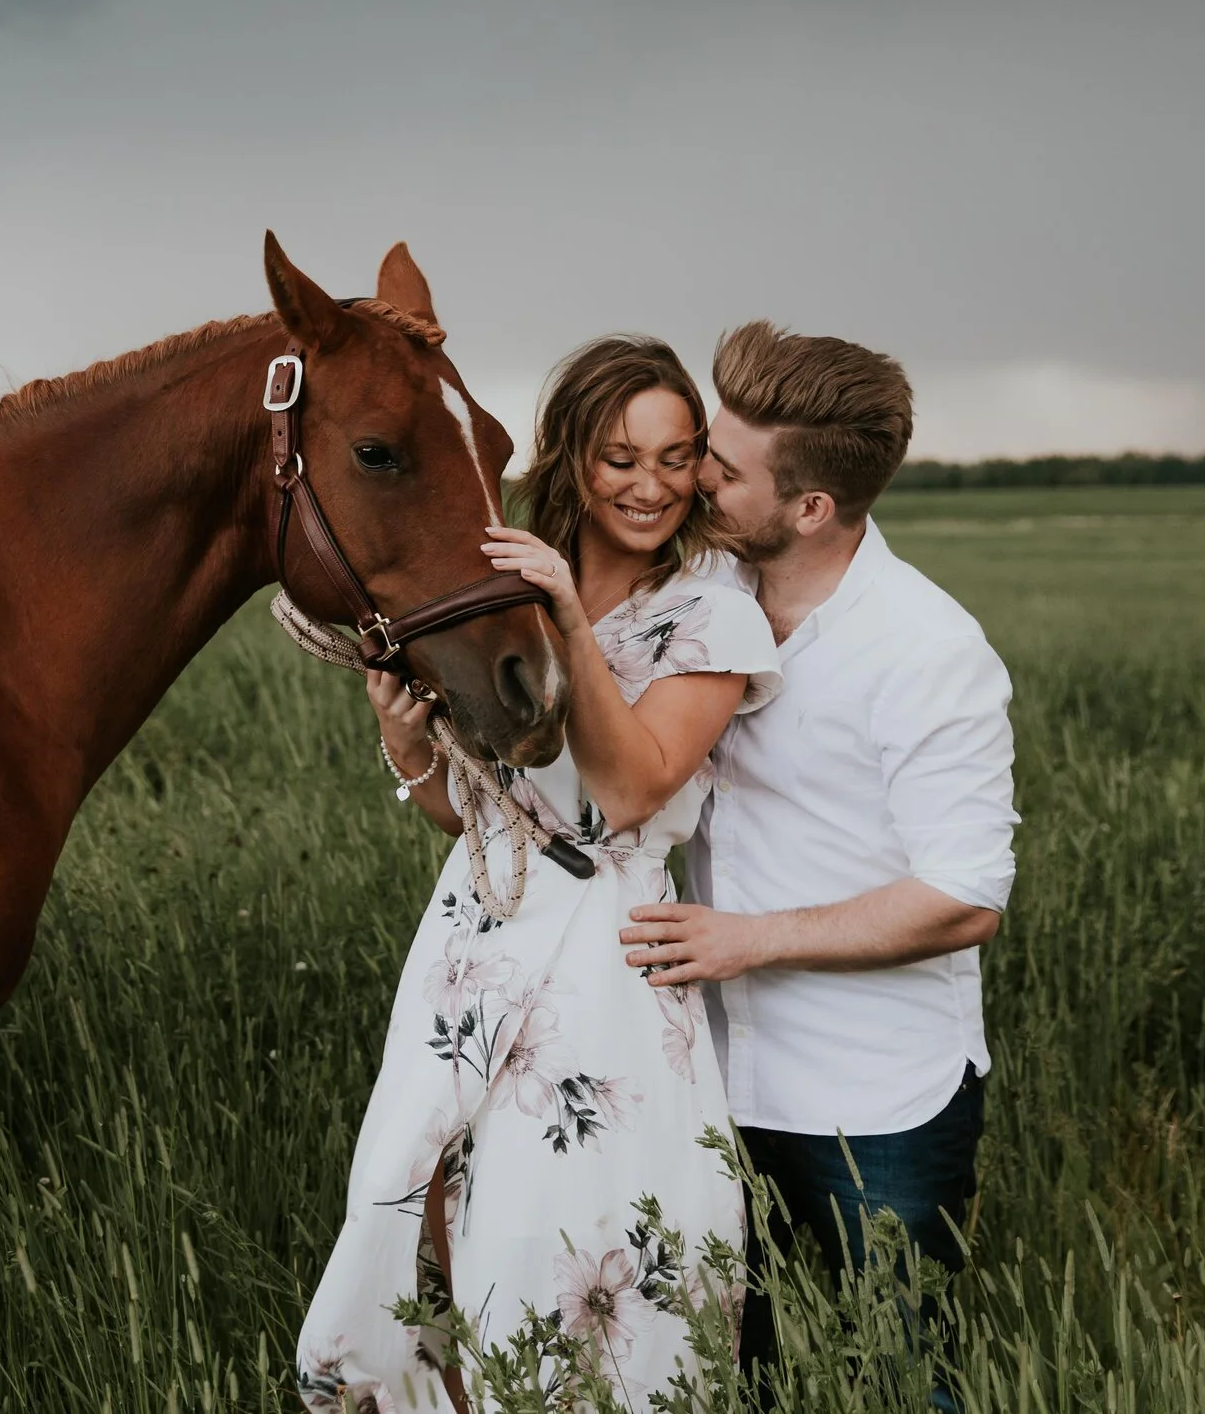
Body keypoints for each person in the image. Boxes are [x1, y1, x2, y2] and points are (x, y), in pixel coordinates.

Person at [298, 336, 782, 1414]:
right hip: (472, 941)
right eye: (621, 458)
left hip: (605, 960)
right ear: (571, 456)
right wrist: (404, 743)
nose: (650, 485)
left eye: (675, 457)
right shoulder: (499, 585)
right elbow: (472, 810)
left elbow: (631, 789)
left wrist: (569, 616)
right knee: (426, 1208)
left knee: (557, 1232)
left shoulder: (712, 613)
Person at [618, 322, 1017, 1403]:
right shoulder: (694, 593)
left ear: (810, 507)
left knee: (897, 1382)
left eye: (723, 467)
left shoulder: (929, 649)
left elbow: (963, 898)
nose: (696, 477)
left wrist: (746, 941)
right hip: (702, 1080)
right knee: (716, 1377)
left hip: (875, 1102)